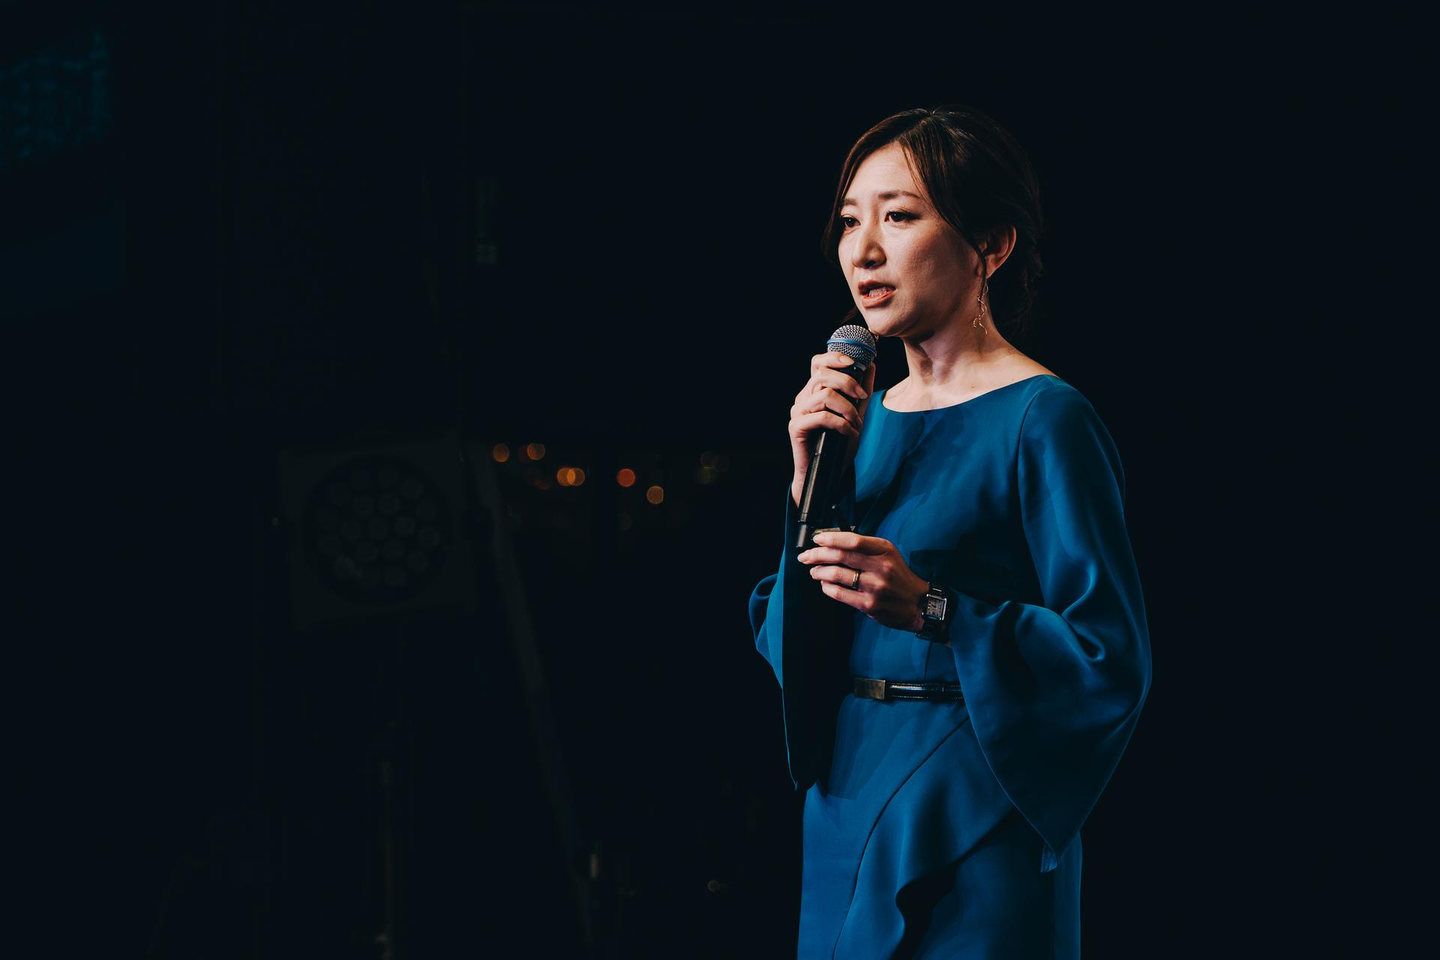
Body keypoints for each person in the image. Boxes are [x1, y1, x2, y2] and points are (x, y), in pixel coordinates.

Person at [747, 105, 1152, 958]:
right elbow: (789, 645)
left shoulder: (1044, 417)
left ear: (990, 246)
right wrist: (806, 492)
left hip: (977, 798)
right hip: (846, 791)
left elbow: (1107, 659)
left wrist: (936, 609)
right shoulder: (857, 422)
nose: (863, 251)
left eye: (898, 216)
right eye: (850, 221)